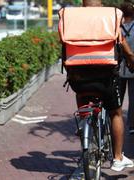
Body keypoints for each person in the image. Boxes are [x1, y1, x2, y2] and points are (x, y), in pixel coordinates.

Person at [66, 0, 134, 172]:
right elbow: (121, 41)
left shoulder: (70, 15)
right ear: (101, 3)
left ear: (83, 3)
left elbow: (63, 41)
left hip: (78, 77)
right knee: (116, 113)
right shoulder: (110, 14)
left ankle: (85, 129)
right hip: (106, 76)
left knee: (82, 103)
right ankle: (118, 158)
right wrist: (131, 58)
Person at [119, 2, 134, 135]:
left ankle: (115, 122)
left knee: (118, 98)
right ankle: (131, 125)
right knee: (133, 98)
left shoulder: (116, 29)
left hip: (118, 68)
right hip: (133, 66)